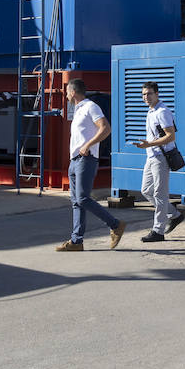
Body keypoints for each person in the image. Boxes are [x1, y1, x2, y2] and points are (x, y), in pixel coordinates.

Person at [55, 79, 126, 251]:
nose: (65, 94)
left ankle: (115, 224)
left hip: (86, 159)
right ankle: (76, 241)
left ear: (73, 92)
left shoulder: (90, 107)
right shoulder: (78, 110)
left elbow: (105, 128)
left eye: (66, 91)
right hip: (75, 161)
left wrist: (88, 145)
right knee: (76, 202)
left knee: (82, 198)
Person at [132, 80, 185, 242]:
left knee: (160, 193)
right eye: (143, 94)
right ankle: (174, 215)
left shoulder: (162, 111)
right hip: (151, 156)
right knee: (146, 190)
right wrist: (148, 146)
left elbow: (171, 136)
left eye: (149, 94)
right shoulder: (151, 111)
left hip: (161, 157)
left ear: (157, 94)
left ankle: (158, 231)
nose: (146, 97)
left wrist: (149, 144)